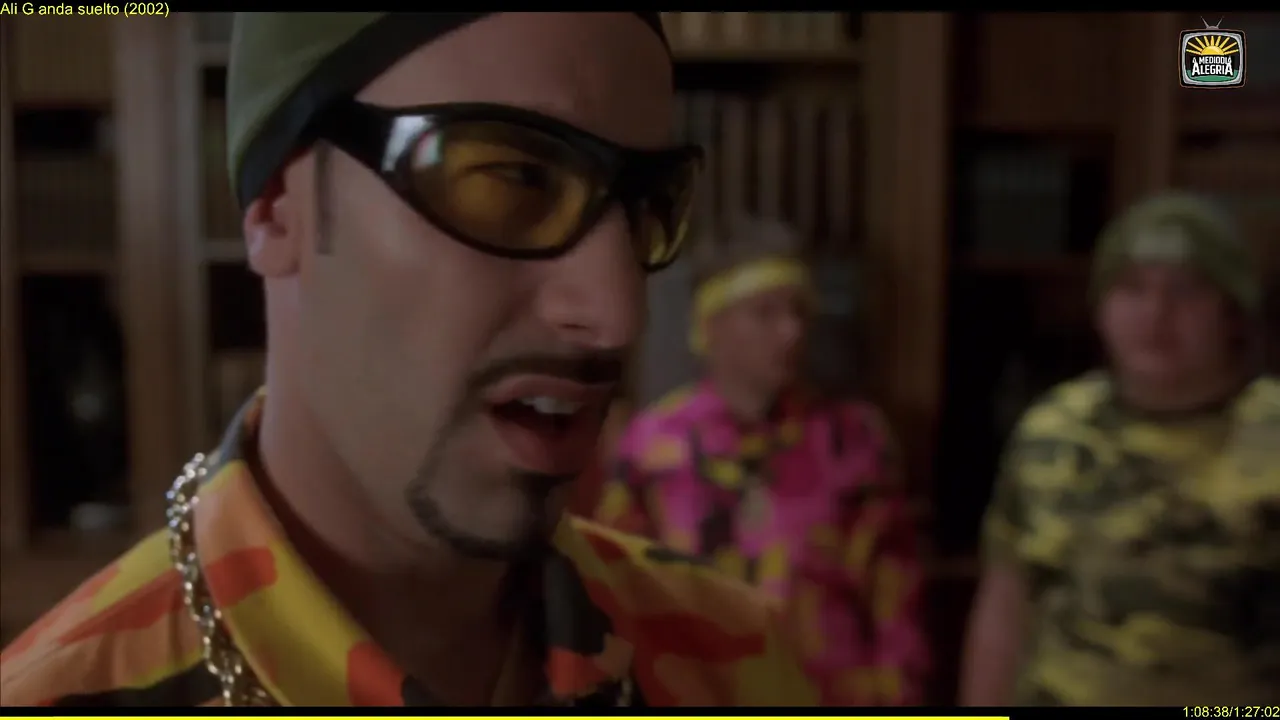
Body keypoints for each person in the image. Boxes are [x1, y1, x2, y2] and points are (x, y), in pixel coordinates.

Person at [0, 13, 820, 707]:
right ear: (276, 208)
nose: (616, 314)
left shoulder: (736, 660)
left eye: (646, 208)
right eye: (512, 179)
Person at [960, 192, 1280, 706]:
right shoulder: (1053, 430)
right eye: (1132, 288)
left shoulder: (1269, 430)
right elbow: (1005, 605)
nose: (1156, 314)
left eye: (1185, 291)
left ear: (1232, 311)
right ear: (1101, 309)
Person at [596, 217, 930, 705]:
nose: (791, 331)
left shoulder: (855, 438)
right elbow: (616, 598)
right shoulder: (653, 445)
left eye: (799, 312)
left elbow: (895, 600)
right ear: (711, 325)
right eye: (766, 313)